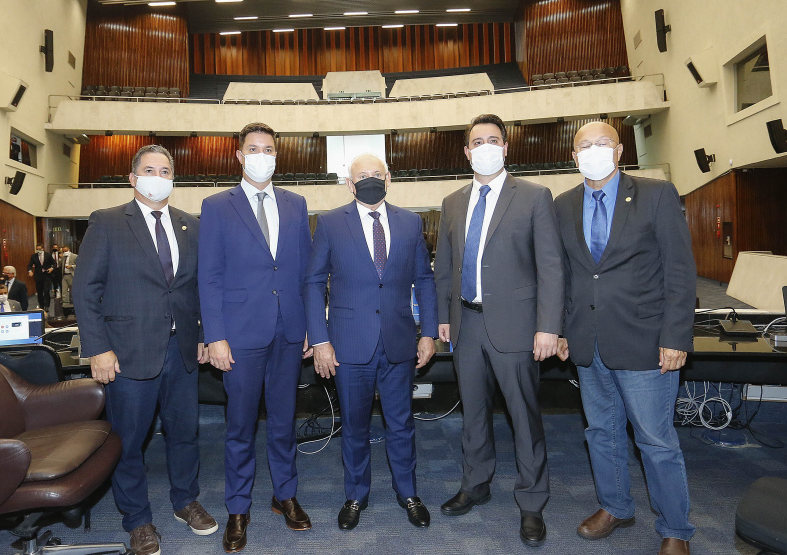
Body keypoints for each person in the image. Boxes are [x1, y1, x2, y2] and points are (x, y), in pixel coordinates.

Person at [555, 121, 696, 555]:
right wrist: (560, 328)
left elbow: (679, 270)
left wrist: (676, 337)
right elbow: (564, 275)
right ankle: (615, 506)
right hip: (587, 342)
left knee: (655, 440)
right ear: (573, 156)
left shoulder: (656, 195)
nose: (592, 151)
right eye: (584, 146)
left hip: (645, 342)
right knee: (600, 431)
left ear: (618, 151)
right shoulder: (563, 204)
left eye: (602, 143)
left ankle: (675, 528)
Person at [72, 144, 216, 555]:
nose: (158, 176)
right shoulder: (107, 222)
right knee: (128, 440)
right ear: (133, 178)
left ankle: (185, 501)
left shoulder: (192, 225)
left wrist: (205, 334)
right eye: (150, 169)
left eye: (166, 170)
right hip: (128, 352)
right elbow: (85, 290)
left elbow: (198, 289)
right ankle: (137, 519)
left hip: (183, 352)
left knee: (184, 434)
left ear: (173, 179)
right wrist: (97, 348)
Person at [434, 114, 564, 548]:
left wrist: (548, 326)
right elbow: (444, 268)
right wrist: (444, 316)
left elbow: (551, 267)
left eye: (494, 139)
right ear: (467, 152)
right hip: (466, 324)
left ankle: (531, 502)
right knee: (473, 413)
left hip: (518, 326)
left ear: (506, 147)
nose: (485, 146)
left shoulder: (533, 195)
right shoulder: (452, 201)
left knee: (523, 416)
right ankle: (477, 483)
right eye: (477, 141)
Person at [305, 153, 437, 531]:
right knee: (355, 425)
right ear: (349, 183)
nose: (369, 180)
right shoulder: (329, 223)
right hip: (347, 346)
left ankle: (407, 492)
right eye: (361, 176)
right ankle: (355, 494)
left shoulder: (411, 223)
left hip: (398, 343)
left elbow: (424, 280)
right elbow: (314, 283)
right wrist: (320, 340)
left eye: (376, 174)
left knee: (401, 425)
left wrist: (427, 332)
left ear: (389, 178)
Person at [198, 122, 313, 553]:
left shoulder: (297, 204)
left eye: (269, 149)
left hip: (288, 331)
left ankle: (284, 495)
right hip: (240, 336)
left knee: (284, 423)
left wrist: (307, 328)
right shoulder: (216, 206)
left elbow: (304, 272)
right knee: (240, 427)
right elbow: (209, 279)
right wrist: (216, 337)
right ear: (239, 156)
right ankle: (237, 508)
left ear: (276, 156)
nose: (262, 154)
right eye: (254, 148)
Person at [28, 244, 55, 310]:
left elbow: (54, 263)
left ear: (42, 249)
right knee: (39, 292)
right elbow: (29, 265)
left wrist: (51, 268)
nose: (38, 250)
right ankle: (41, 305)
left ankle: (47, 305)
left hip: (47, 274)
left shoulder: (48, 255)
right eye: (37, 249)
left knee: (46, 290)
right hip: (38, 275)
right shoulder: (34, 256)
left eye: (40, 249)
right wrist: (30, 271)